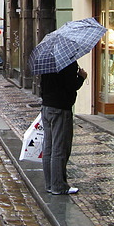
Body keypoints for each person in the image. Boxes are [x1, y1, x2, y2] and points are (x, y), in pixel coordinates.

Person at [40, 61, 87, 194]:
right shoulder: (67, 62)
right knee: (59, 148)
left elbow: (42, 85)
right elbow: (70, 86)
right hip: (60, 108)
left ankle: (50, 184)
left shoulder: (46, 62)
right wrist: (81, 77)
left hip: (47, 107)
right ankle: (58, 186)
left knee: (48, 147)